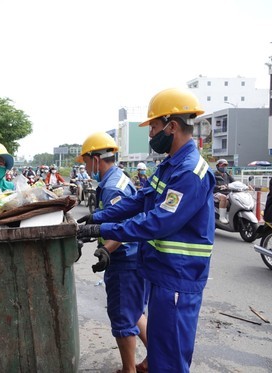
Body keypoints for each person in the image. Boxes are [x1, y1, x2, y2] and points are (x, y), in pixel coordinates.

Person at [78, 87, 215, 372]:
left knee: (170, 363)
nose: (151, 134)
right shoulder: (169, 167)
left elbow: (158, 222)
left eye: (153, 127)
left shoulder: (190, 172)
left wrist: (103, 229)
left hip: (179, 277)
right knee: (161, 354)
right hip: (163, 274)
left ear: (172, 126)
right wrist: (96, 217)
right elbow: (138, 200)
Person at [80, 131, 148, 373]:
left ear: (96, 159)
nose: (86, 168)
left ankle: (129, 370)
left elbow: (125, 225)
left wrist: (107, 250)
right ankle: (153, 361)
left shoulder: (112, 187)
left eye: (86, 162)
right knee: (134, 311)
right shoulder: (117, 179)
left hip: (125, 260)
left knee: (122, 316)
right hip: (135, 257)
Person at [213, 159, 235, 224]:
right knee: (223, 198)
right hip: (216, 193)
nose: (224, 167)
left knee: (232, 200)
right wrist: (219, 187)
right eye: (223, 165)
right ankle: (222, 217)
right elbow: (211, 185)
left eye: (226, 165)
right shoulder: (214, 175)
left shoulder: (227, 175)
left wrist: (245, 186)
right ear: (218, 166)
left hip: (227, 193)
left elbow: (235, 182)